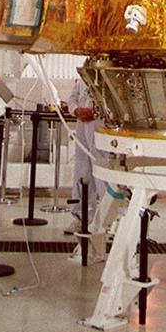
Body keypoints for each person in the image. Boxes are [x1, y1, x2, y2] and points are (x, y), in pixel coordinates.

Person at [67, 77, 106, 226]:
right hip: (82, 127)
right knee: (82, 170)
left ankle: (110, 218)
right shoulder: (84, 76)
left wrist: (95, 113)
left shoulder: (107, 74)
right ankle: (81, 216)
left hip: (101, 127)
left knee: (103, 172)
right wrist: (76, 110)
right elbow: (72, 98)